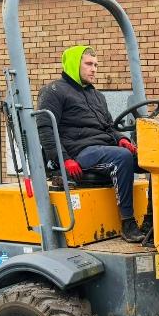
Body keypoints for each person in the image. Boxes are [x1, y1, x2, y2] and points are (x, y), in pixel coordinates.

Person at [35, 45, 148, 243]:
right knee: (121, 158)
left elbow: (108, 127)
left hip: (102, 148)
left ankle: (150, 219)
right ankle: (128, 223)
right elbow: (46, 130)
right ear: (73, 65)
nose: (94, 69)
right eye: (88, 64)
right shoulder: (53, 91)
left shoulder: (97, 96)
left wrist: (121, 139)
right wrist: (65, 160)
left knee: (152, 159)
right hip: (79, 152)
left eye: (96, 65)